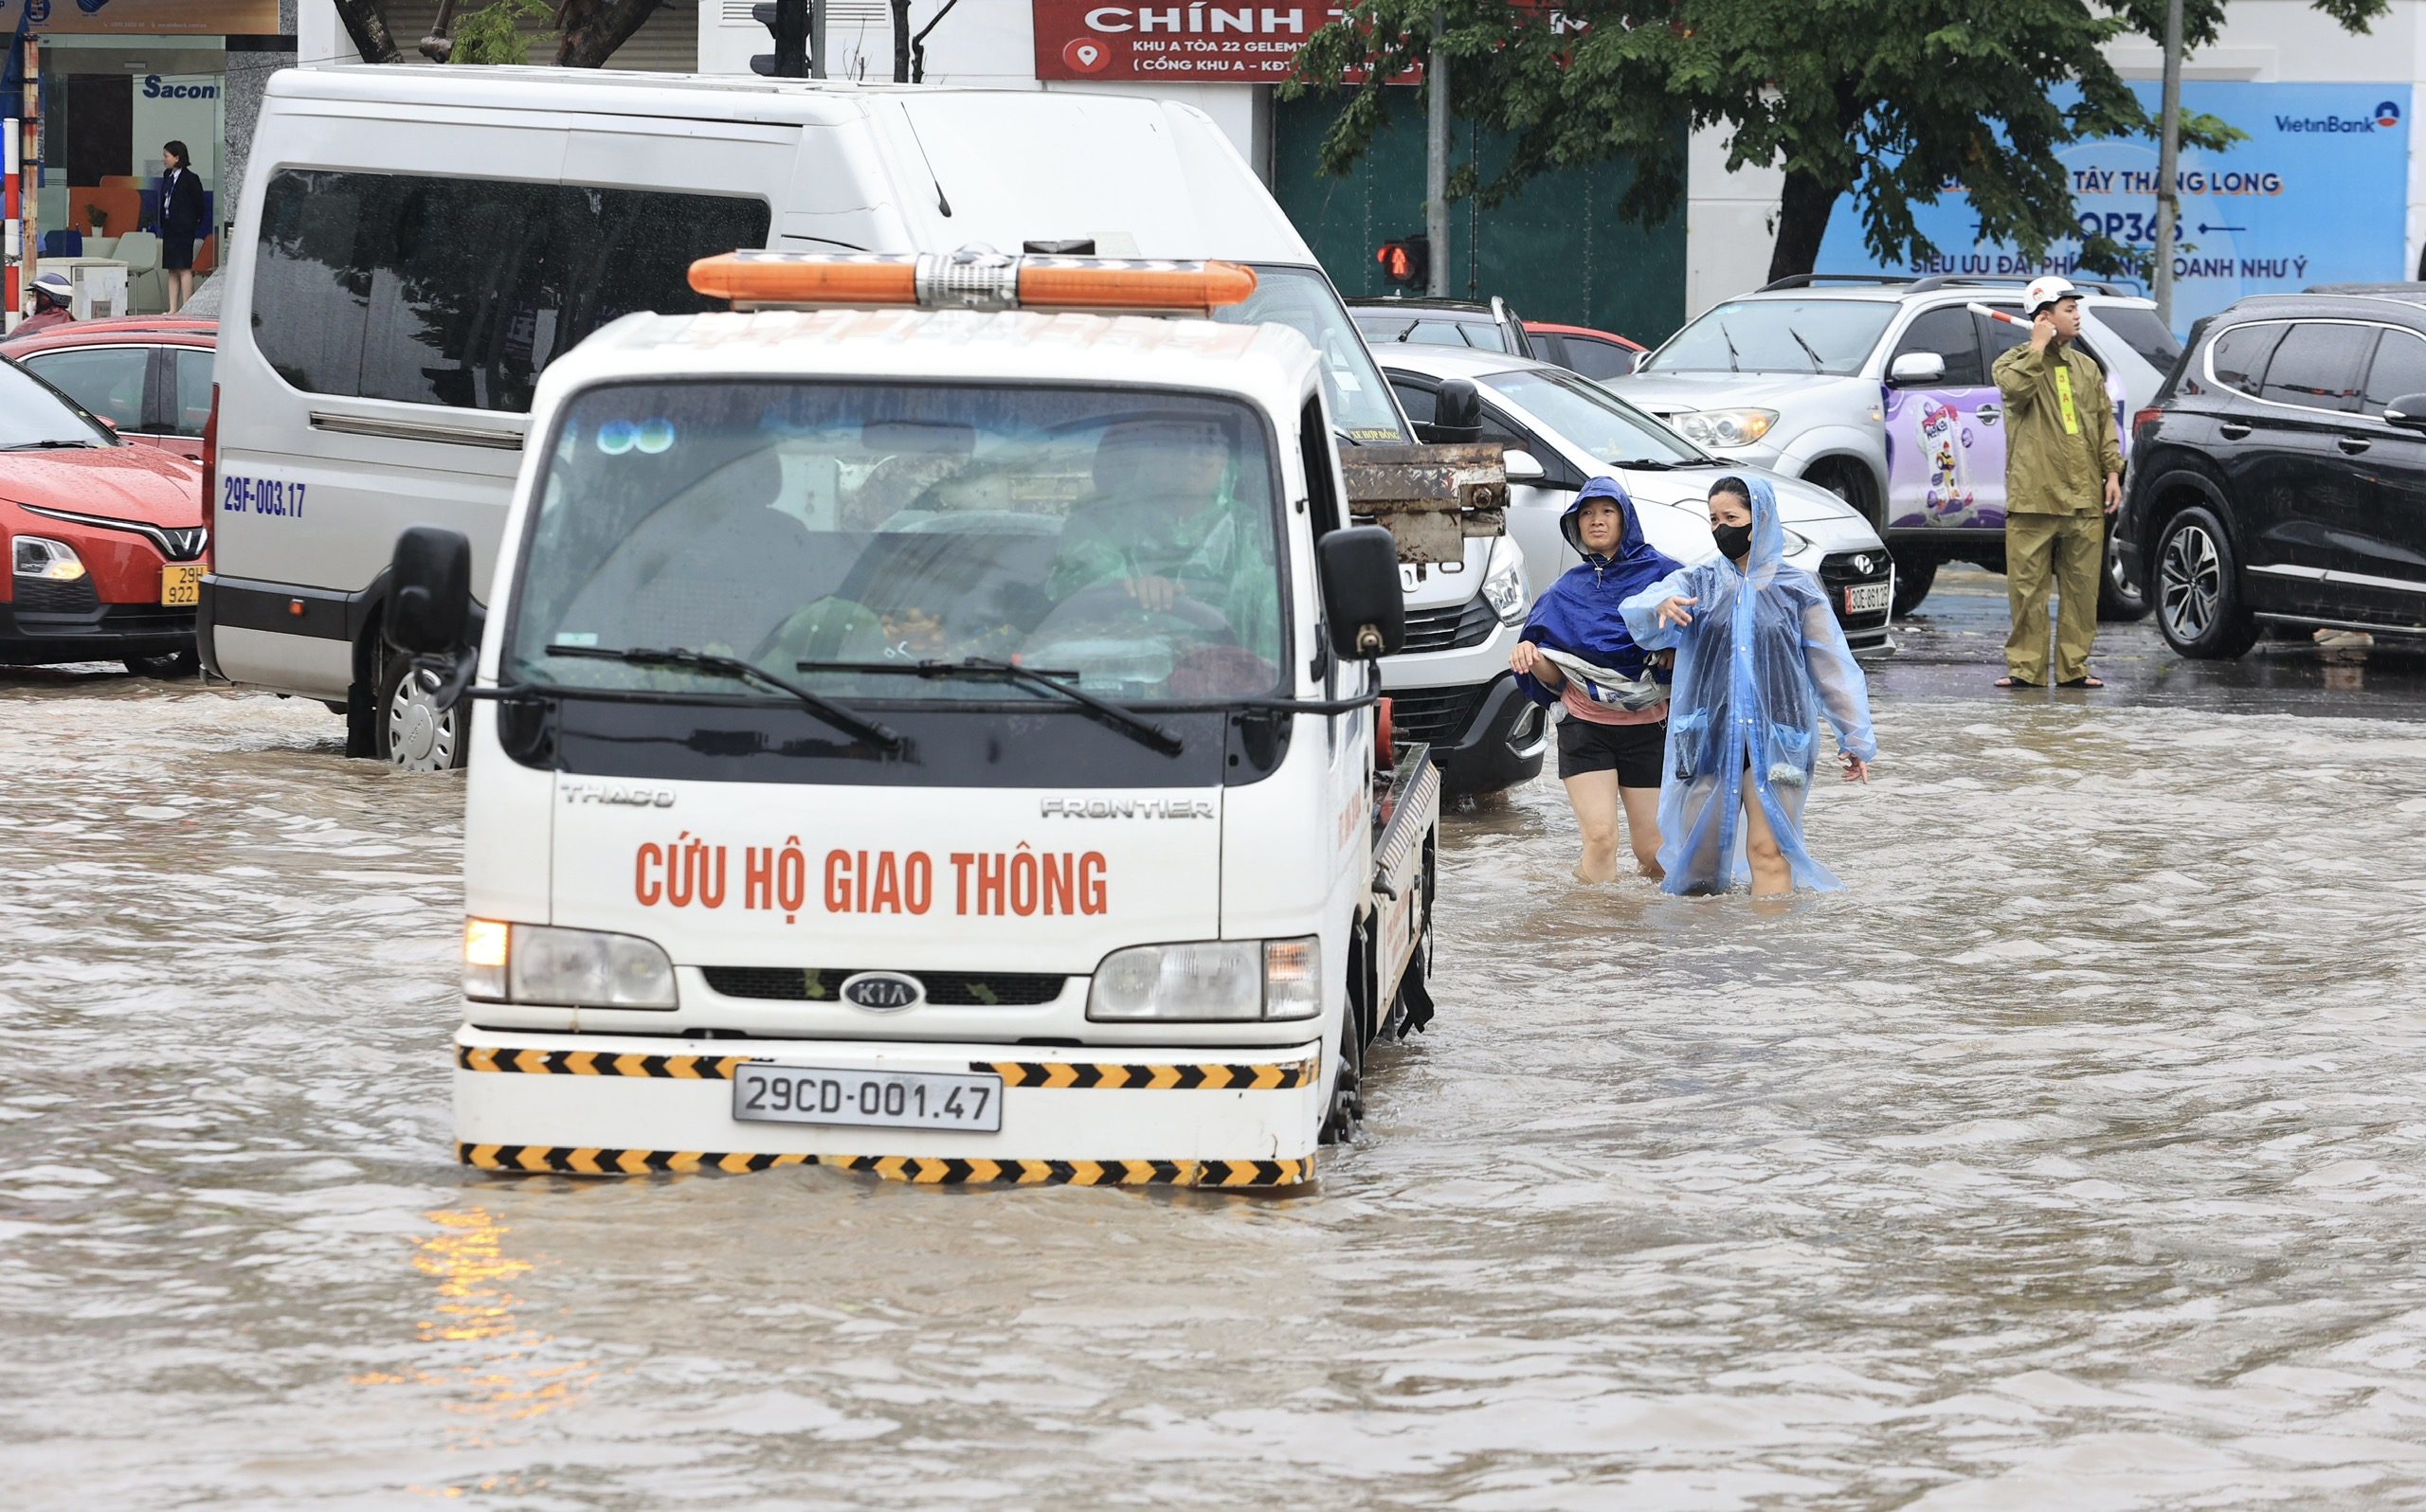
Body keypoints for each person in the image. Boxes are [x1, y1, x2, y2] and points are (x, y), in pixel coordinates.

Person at [1622, 476, 1877, 899]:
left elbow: (1831, 667)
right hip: (1707, 736)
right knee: (1698, 866)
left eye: (1731, 517)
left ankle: (1770, 957)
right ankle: (1698, 960)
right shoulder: (1697, 583)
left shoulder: (1797, 589)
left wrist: (1853, 737)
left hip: (1782, 739)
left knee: (1769, 850)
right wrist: (1657, 604)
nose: (1721, 527)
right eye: (1713, 519)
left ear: (1760, 519)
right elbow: (1638, 611)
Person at [1508, 476, 1681, 883]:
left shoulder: (1667, 576)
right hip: (1585, 729)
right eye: (1586, 513)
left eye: (1607, 511)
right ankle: (1593, 932)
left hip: (1649, 729)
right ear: (1575, 525)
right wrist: (1533, 658)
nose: (1596, 521)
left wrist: (1675, 647)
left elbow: (1702, 632)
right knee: (1601, 838)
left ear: (1626, 520)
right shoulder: (1564, 592)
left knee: (1654, 852)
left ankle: (1653, 941)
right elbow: (1555, 677)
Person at [1992, 275, 2124, 690]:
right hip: (2034, 496)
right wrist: (2036, 345)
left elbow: (2105, 423)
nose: (2077, 316)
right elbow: (2015, 392)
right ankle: (2026, 670)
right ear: (2045, 317)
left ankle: (2074, 669)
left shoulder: (2086, 368)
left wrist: (2113, 471)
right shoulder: (2012, 363)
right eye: (2070, 310)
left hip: (2084, 497)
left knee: (2083, 590)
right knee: (2028, 591)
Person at [155, 141, 208, 315]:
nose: (164, 159)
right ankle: (173, 309)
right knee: (172, 268)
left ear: (177, 157)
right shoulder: (167, 175)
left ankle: (187, 308)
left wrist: (192, 221)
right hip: (170, 227)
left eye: (166, 156)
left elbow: (199, 204)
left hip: (184, 229)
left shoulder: (190, 179)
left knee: (184, 267)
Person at [13, 270, 77, 337]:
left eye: (34, 296)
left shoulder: (28, 327)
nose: (30, 300)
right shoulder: (72, 322)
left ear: (43, 299)